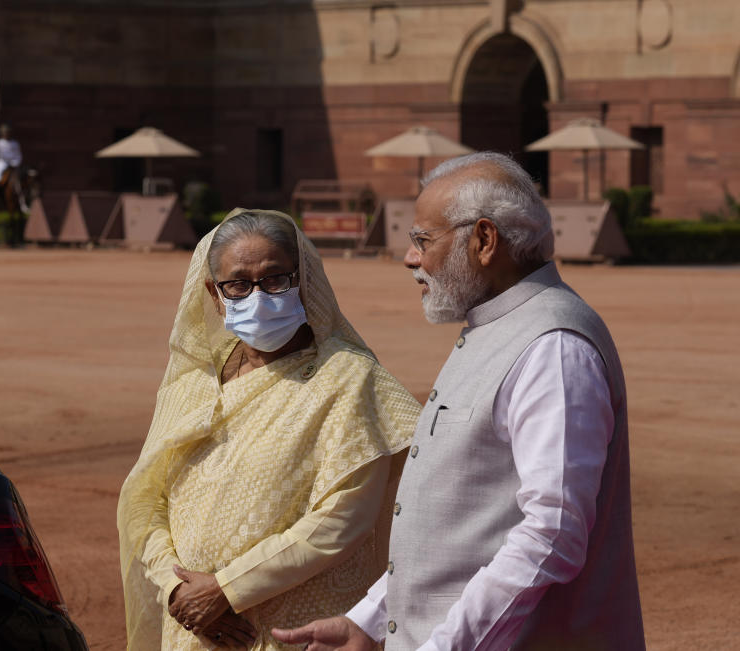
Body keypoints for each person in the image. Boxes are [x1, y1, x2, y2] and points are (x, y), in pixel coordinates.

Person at [272, 153, 645, 651]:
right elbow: (459, 526)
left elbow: (551, 535)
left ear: (484, 240)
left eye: (423, 240)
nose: (411, 259)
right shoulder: (499, 327)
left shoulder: (552, 347)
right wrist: (372, 620)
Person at [117, 209, 422, 650]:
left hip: (295, 629)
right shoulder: (193, 385)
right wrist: (178, 591)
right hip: (193, 628)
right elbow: (147, 501)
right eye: (238, 284)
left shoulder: (350, 379)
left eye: (276, 279)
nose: (258, 296)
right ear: (214, 294)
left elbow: (341, 518)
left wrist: (225, 589)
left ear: (305, 281)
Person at [0, 123, 22, 195]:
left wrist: (16, 163)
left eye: (8, 132)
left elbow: (18, 155)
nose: (6, 134)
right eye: (5, 132)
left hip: (13, 162)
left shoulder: (14, 143)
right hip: (2, 162)